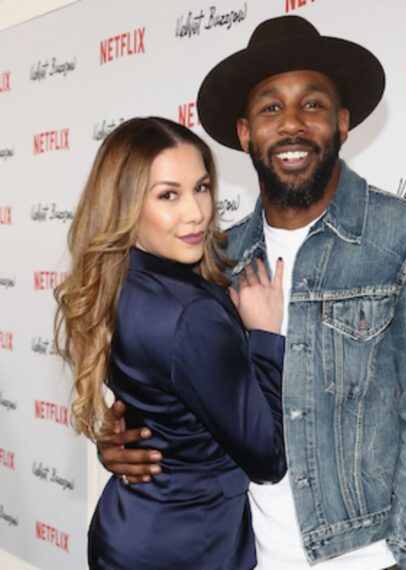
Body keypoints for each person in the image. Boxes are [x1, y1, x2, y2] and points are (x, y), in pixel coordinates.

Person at [98, 16, 406, 570]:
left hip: (361, 556)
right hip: (244, 551)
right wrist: (122, 442)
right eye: (271, 108)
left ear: (343, 123)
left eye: (314, 105)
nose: (293, 124)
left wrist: (403, 552)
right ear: (246, 133)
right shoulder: (217, 257)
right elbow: (180, 394)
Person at [54, 117, 287, 568]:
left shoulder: (118, 281)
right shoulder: (190, 316)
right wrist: (263, 337)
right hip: (185, 547)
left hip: (130, 526)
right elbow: (268, 458)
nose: (196, 212)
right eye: (168, 195)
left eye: (201, 187)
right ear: (124, 206)